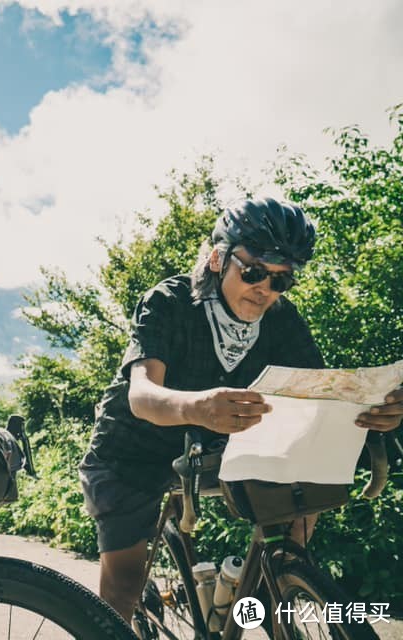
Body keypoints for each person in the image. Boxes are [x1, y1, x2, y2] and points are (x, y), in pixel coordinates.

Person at [77, 197, 403, 622]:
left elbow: (323, 398)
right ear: (217, 257)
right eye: (253, 272)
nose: (265, 289)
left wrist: (376, 411)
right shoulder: (169, 302)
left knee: (295, 520)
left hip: (221, 443)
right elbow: (142, 395)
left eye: (281, 280)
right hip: (133, 447)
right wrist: (199, 406)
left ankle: (268, 589)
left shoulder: (283, 321)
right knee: (123, 587)